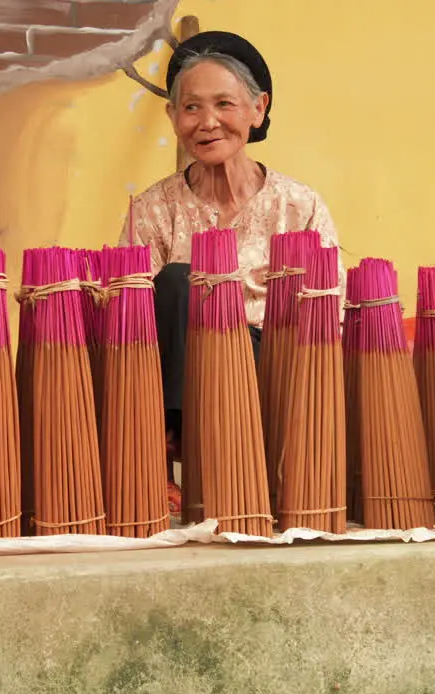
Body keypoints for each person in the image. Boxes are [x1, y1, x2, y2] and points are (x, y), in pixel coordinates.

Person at [118, 31, 345, 513]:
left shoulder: (298, 204)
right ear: (173, 117)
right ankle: (168, 451)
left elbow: (331, 311)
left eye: (225, 103)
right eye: (191, 107)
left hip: (269, 369)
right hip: (179, 375)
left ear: (258, 109)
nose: (208, 122)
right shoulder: (155, 208)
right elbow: (133, 314)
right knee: (174, 284)